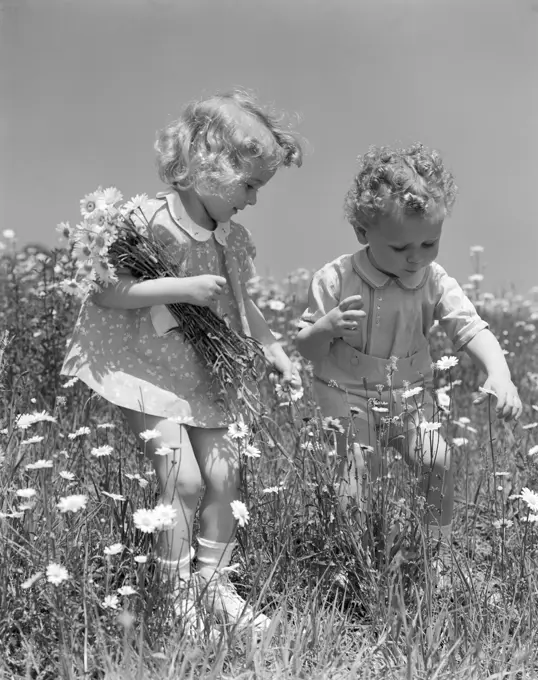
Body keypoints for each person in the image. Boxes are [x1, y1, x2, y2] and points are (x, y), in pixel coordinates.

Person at [62, 89, 303, 632]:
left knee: (225, 471)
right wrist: (180, 286)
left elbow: (243, 305)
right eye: (249, 186)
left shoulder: (232, 240)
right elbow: (105, 291)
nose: (254, 200)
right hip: (143, 369)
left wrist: (275, 350)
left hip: (199, 373)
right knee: (184, 480)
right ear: (204, 166)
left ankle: (214, 584)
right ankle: (174, 598)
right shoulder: (144, 220)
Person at [295, 143, 522, 579]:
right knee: (359, 475)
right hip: (344, 392)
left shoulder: (433, 280)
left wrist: (500, 373)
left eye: (429, 242)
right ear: (363, 232)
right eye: (400, 247)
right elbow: (306, 348)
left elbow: (471, 327)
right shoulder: (334, 279)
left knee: (438, 461)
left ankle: (435, 552)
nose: (415, 256)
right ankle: (360, 562)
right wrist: (326, 328)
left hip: (409, 392)